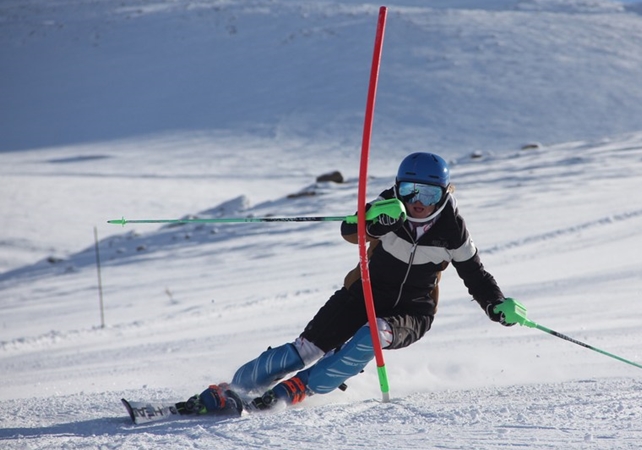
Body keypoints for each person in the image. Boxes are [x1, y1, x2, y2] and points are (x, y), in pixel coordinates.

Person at [182, 152, 515, 415]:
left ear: (443, 193)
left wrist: (495, 304)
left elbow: (475, 274)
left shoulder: (452, 229)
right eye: (410, 189)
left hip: (412, 311)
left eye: (428, 193)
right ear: (399, 186)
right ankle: (235, 387)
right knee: (305, 349)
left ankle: (300, 388)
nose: (418, 201)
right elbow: (349, 230)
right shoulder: (390, 206)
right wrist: (373, 224)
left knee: (375, 333)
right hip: (362, 295)